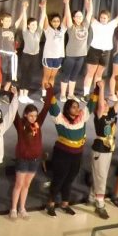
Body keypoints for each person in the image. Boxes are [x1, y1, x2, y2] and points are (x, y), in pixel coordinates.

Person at [44, 83, 95, 216]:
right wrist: (49, 89)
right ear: (67, 109)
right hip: (63, 154)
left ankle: (65, 203)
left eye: (78, 107)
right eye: (74, 107)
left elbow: (91, 105)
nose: (77, 109)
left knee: (70, 178)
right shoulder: (60, 119)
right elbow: (53, 105)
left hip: (77, 155)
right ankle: (50, 203)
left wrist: (98, 89)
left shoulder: (82, 117)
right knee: (59, 178)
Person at [82, 0, 118, 97]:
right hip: (94, 51)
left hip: (105, 53)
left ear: (108, 18)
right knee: (90, 73)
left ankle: (96, 92)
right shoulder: (95, 23)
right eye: (101, 17)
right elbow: (89, 11)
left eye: (104, 18)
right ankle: (86, 93)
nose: (102, 19)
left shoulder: (112, 24)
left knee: (99, 74)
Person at [10, 85, 43, 220]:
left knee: (26, 185)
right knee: (19, 184)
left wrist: (50, 90)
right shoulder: (20, 124)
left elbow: (46, 109)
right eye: (31, 116)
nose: (33, 118)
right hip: (23, 159)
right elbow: (13, 113)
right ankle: (13, 209)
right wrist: (13, 95)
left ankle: (22, 208)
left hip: (35, 160)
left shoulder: (38, 124)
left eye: (35, 116)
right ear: (25, 115)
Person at [90, 81, 118, 219]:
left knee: (102, 174)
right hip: (100, 148)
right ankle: (100, 203)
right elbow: (101, 104)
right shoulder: (100, 115)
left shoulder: (111, 114)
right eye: (105, 104)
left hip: (109, 148)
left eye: (108, 103)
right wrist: (101, 88)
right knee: (101, 176)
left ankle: (92, 195)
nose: (107, 104)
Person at [60, 0, 92, 101]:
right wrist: (67, 4)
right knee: (66, 75)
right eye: (77, 16)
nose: (79, 18)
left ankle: (71, 94)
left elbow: (90, 11)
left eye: (80, 16)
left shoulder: (85, 25)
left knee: (74, 76)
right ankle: (63, 94)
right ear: (74, 18)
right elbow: (68, 16)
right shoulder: (71, 27)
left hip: (81, 55)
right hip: (70, 55)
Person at [0, 0, 23, 106]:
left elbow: (19, 21)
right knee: (0, 77)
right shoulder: (0, 30)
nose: (8, 22)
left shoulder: (13, 30)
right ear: (2, 21)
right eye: (6, 21)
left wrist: (24, 9)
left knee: (10, 77)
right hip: (3, 55)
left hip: (12, 56)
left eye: (9, 21)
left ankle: (5, 94)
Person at [41, 0, 71, 95]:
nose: (56, 23)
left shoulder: (62, 29)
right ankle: (44, 95)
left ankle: (49, 94)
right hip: (48, 56)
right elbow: (44, 17)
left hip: (58, 57)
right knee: (46, 77)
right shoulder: (48, 30)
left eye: (58, 21)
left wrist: (66, 3)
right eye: (54, 21)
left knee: (52, 77)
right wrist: (44, 7)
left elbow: (67, 17)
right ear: (50, 22)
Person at [17, 0, 46, 104]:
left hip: (35, 56)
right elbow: (24, 20)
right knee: (24, 75)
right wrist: (24, 8)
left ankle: (26, 94)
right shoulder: (26, 32)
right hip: (26, 56)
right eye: (32, 24)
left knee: (30, 76)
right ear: (29, 26)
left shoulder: (38, 32)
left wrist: (43, 8)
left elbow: (42, 19)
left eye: (35, 24)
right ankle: (21, 95)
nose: (34, 26)